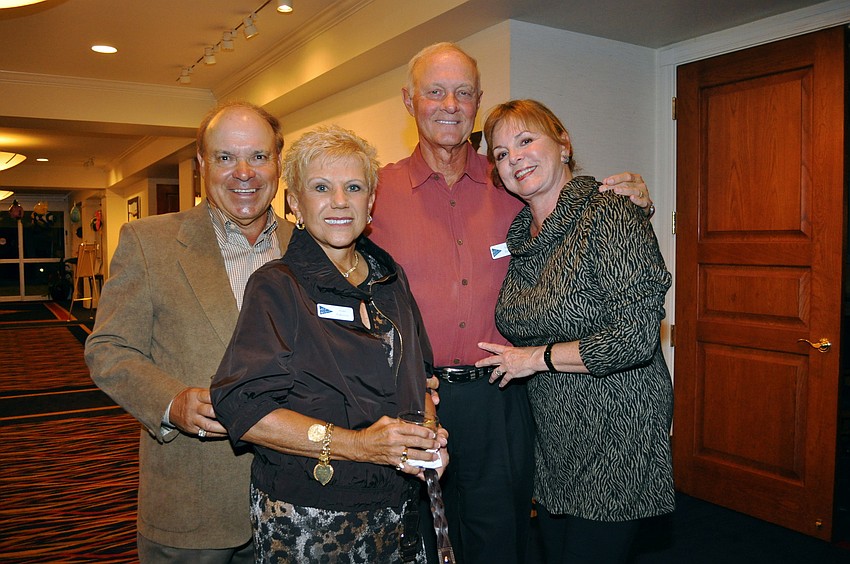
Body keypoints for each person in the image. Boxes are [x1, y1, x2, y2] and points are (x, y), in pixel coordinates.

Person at [367, 42, 656, 564]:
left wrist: (636, 196)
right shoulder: (374, 192)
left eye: (462, 93)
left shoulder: (513, 189)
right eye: (435, 92)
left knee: (503, 539)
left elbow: (587, 227)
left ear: (477, 102)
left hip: (502, 396)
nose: (449, 104)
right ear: (409, 101)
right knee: (418, 540)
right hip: (413, 394)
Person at [210, 125, 449, 563]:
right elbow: (241, 406)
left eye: (354, 187)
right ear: (296, 204)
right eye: (322, 188)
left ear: (371, 202)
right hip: (309, 518)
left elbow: (422, 378)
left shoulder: (390, 280)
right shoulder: (278, 287)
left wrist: (425, 437)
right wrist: (357, 445)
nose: (340, 201)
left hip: (396, 509)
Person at [85, 101, 294, 563]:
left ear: (278, 162)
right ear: (202, 164)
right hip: (192, 502)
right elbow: (108, 348)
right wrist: (170, 401)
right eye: (225, 158)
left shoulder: (307, 248)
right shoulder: (148, 242)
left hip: (293, 507)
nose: (244, 173)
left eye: (258, 156)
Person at [475, 99, 674, 563]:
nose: (515, 157)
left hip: (616, 422)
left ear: (563, 144)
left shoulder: (610, 213)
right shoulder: (522, 234)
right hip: (554, 428)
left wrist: (533, 358)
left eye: (526, 140)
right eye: (501, 154)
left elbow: (636, 336)